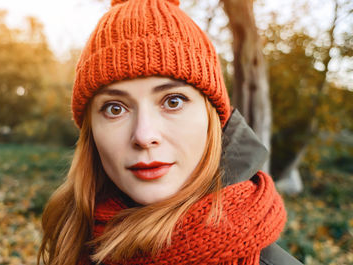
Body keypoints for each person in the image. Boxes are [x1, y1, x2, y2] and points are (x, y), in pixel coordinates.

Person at [38, 0, 303, 264]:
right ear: (91, 132)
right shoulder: (72, 244)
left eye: (172, 101)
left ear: (212, 118)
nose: (144, 136)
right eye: (115, 108)